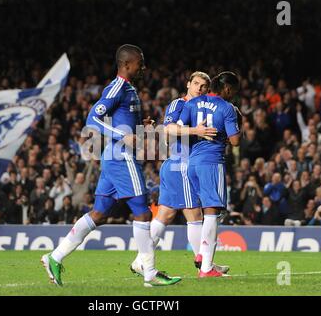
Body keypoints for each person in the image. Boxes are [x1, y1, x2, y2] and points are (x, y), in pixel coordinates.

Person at [41, 45, 181, 287]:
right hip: (121, 157)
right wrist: (121, 135)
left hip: (114, 157)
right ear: (127, 65)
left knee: (99, 213)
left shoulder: (129, 90)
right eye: (140, 63)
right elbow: (92, 119)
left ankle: (55, 256)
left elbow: (124, 121)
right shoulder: (116, 87)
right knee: (143, 212)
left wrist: (141, 125)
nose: (143, 67)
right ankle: (149, 272)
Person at [130, 71, 228, 276]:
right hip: (180, 163)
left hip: (178, 165)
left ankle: (141, 259)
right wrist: (196, 132)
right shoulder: (179, 104)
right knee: (194, 214)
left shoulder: (203, 108)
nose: (199, 88)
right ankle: (204, 262)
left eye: (204, 86)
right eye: (196, 84)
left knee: (165, 214)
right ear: (188, 84)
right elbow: (168, 129)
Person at [177, 71, 241, 278]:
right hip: (212, 162)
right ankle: (206, 267)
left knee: (200, 213)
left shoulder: (192, 103)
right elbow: (235, 141)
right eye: (234, 91)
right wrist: (238, 121)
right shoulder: (227, 108)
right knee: (212, 212)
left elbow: (178, 128)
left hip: (192, 162)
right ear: (228, 89)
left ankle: (202, 256)